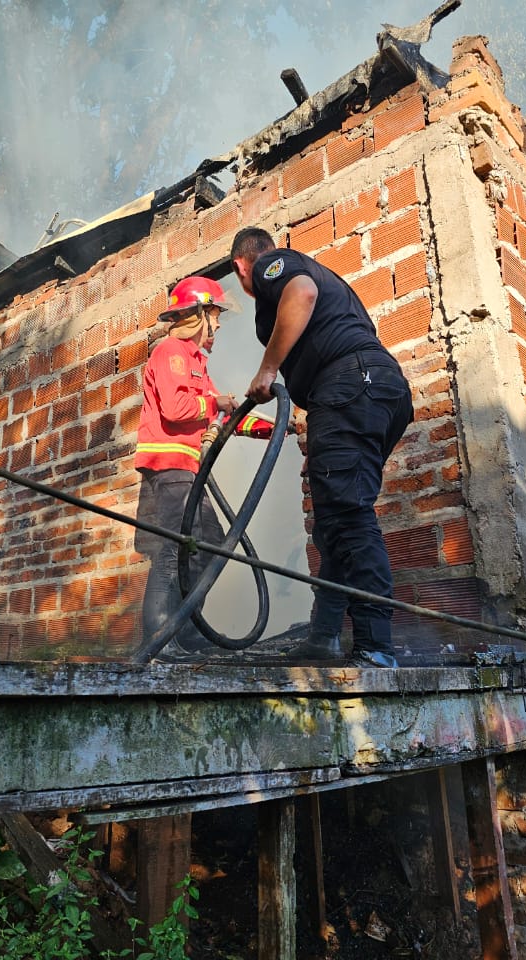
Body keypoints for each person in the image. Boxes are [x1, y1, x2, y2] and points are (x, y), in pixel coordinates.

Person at [229, 227, 413, 668]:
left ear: (240, 267)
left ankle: (375, 646)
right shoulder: (331, 280)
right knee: (334, 518)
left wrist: (267, 369)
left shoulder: (275, 266)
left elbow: (303, 293)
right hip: (376, 390)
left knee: (347, 514)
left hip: (350, 383)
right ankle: (325, 634)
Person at [134, 275, 275, 662]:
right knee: (174, 548)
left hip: (187, 467)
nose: (218, 326)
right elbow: (178, 410)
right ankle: (158, 641)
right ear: (199, 314)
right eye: (215, 315)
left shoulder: (196, 363)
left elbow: (220, 416)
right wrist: (218, 404)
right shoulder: (171, 352)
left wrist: (276, 427)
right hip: (169, 464)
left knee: (210, 540)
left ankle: (185, 628)